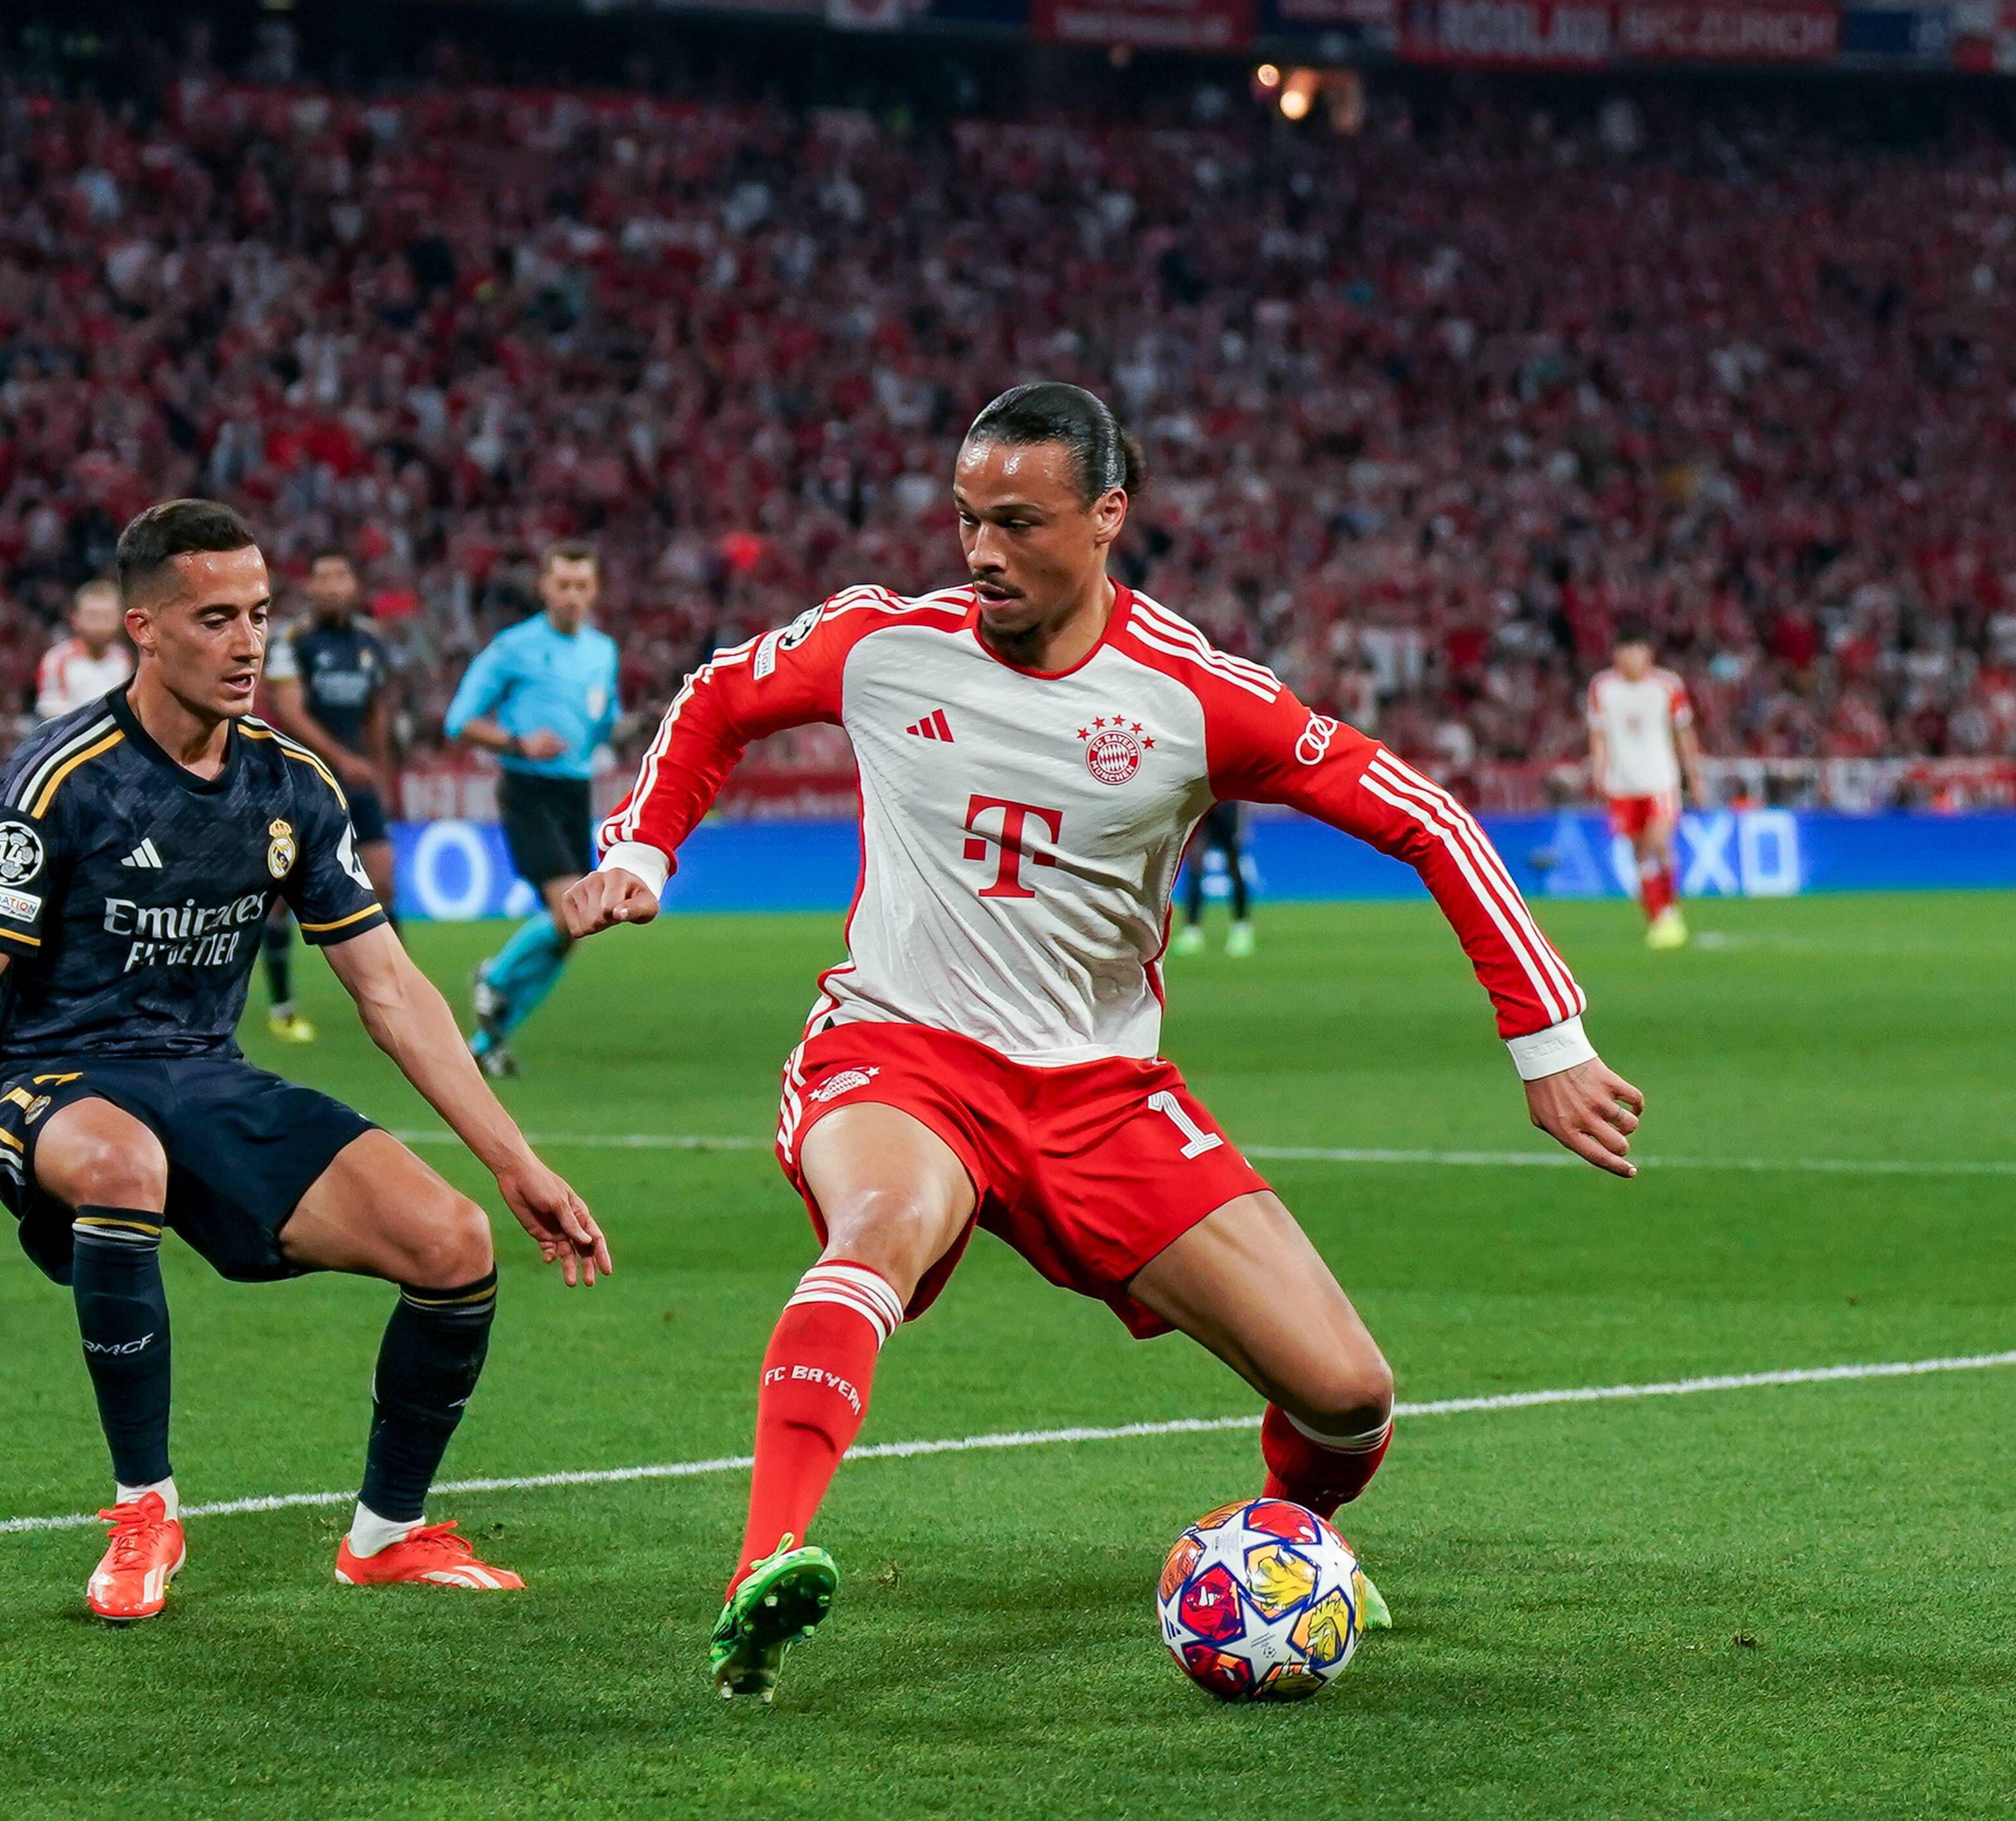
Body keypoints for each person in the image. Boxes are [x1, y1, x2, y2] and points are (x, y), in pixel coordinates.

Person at [563, 383, 1646, 1703]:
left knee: (1348, 1394)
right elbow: (720, 695)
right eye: (967, 521)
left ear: (1108, 517)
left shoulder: (1192, 694)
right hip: (903, 1051)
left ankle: (1279, 1545)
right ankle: (764, 1566)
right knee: (880, 1229)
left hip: (1102, 1094)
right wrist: (642, 846)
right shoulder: (882, 643)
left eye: (1018, 523)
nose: (981, 553)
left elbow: (1424, 813)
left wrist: (1550, 1041)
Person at [0, 499, 611, 1623]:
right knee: (123, 1166)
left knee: (454, 1242)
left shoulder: (291, 785)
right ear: (144, 627)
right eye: (216, 617)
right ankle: (144, 1510)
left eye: (260, 616)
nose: (248, 644)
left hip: (203, 1076)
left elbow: (390, 988)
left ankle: (387, 1536)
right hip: (52, 1076)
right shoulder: (61, 779)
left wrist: (515, 1162)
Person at [443, 544, 623, 1078]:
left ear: (595, 591)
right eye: (562, 585)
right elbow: (459, 721)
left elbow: (602, 721)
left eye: (581, 586)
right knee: (571, 910)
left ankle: (484, 1043)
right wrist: (519, 744)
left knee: (574, 933)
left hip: (574, 792)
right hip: (528, 788)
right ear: (545, 588)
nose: (572, 596)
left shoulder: (602, 652)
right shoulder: (513, 648)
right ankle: (494, 978)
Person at [256, 549, 401, 1044]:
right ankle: (282, 1008)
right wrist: (341, 759)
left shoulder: (370, 642)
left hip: (357, 778)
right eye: (325, 577)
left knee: (383, 882)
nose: (334, 586)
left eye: (343, 575)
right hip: (297, 779)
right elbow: (289, 711)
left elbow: (378, 709)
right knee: (276, 895)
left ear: (355, 586)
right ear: (311, 588)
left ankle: (394, 998)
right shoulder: (290, 641)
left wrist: (379, 766)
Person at [1587, 629, 1708, 950]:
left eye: (1638, 651)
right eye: (1626, 652)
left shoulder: (1667, 686)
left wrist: (1693, 776)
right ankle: (1657, 918)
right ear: (1616, 656)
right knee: (1639, 851)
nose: (1632, 658)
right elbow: (1598, 734)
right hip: (1622, 784)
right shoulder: (1603, 687)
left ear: (1648, 654)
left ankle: (1669, 912)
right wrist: (1598, 770)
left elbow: (1683, 733)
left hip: (1660, 780)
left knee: (1658, 843)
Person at [34, 578, 135, 721]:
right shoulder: (57, 659)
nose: (100, 624)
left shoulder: (122, 658)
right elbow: (50, 710)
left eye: (107, 616)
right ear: (75, 618)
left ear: (120, 619)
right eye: (93, 616)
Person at [1171, 800, 1253, 957]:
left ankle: (1241, 929)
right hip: (1202, 803)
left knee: (1233, 866)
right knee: (1195, 865)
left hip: (1226, 802)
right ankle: (1192, 932)